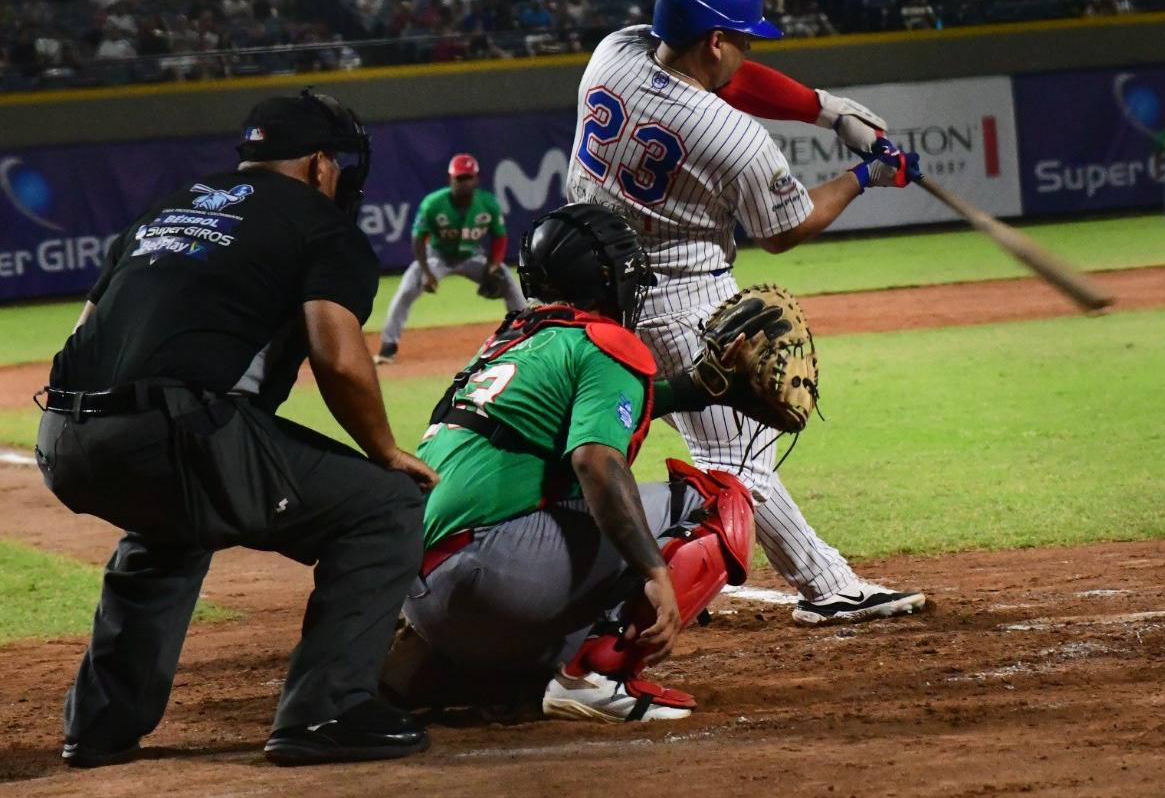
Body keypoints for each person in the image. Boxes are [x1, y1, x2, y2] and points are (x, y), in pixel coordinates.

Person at [35, 90, 437, 767]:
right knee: (386, 507)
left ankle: (99, 728)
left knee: (172, 526)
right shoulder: (320, 224)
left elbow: (85, 330)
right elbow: (337, 357)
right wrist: (384, 451)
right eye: (335, 162)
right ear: (317, 165)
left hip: (64, 434)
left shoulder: (166, 210)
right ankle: (325, 713)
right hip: (172, 432)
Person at [564, 0, 927, 626]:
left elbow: (728, 77)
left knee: (736, 447)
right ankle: (635, 596)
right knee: (737, 469)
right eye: (743, 38)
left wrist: (825, 109)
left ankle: (827, 585)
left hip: (588, 291)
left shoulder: (613, 52)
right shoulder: (728, 134)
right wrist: (865, 175)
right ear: (714, 42)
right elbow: (785, 230)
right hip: (681, 304)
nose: (749, 49)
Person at [383, 203, 764, 722]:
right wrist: (653, 570)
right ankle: (595, 677)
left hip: (418, 593)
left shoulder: (512, 341)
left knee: (548, 493)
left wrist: (696, 387)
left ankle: (443, 670)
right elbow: (596, 462)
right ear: (605, 279)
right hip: (492, 579)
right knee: (720, 503)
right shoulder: (604, 343)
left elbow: (590, 413)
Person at [374, 153, 526, 364]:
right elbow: (418, 239)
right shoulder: (434, 204)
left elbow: (500, 237)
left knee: (509, 281)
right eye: (459, 178)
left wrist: (492, 266)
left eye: (467, 178)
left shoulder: (488, 203)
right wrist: (426, 273)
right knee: (407, 288)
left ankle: (524, 335)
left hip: (473, 256)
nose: (463, 183)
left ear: (476, 179)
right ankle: (388, 346)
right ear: (450, 180)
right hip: (437, 257)